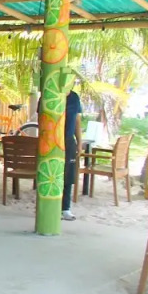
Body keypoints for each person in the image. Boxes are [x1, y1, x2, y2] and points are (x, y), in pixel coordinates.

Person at [62, 89, 83, 221]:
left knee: (68, 175)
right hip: (52, 140)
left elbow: (77, 121)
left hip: (69, 140)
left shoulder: (74, 97)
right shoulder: (48, 93)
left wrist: (79, 142)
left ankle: (65, 208)